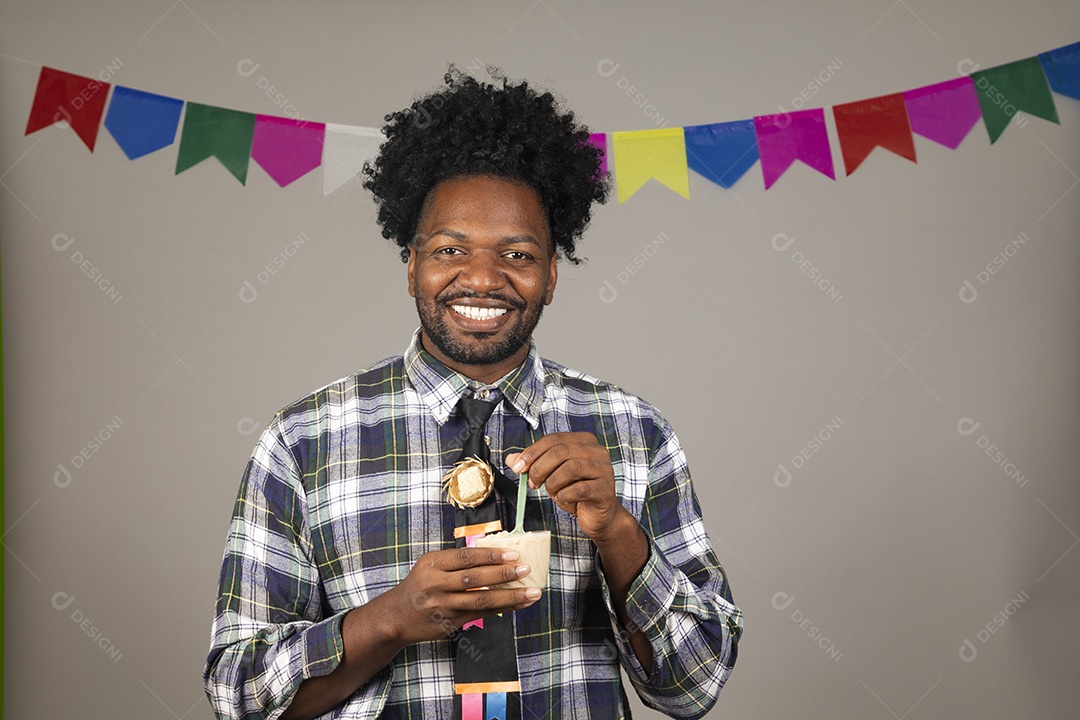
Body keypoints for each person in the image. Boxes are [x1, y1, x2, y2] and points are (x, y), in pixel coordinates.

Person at [203, 68, 742, 720]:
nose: (481, 278)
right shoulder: (301, 442)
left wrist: (616, 531)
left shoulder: (631, 432)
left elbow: (695, 686)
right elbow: (239, 697)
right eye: (451, 248)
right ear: (412, 265)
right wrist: (391, 619)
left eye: (516, 255)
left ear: (550, 275)